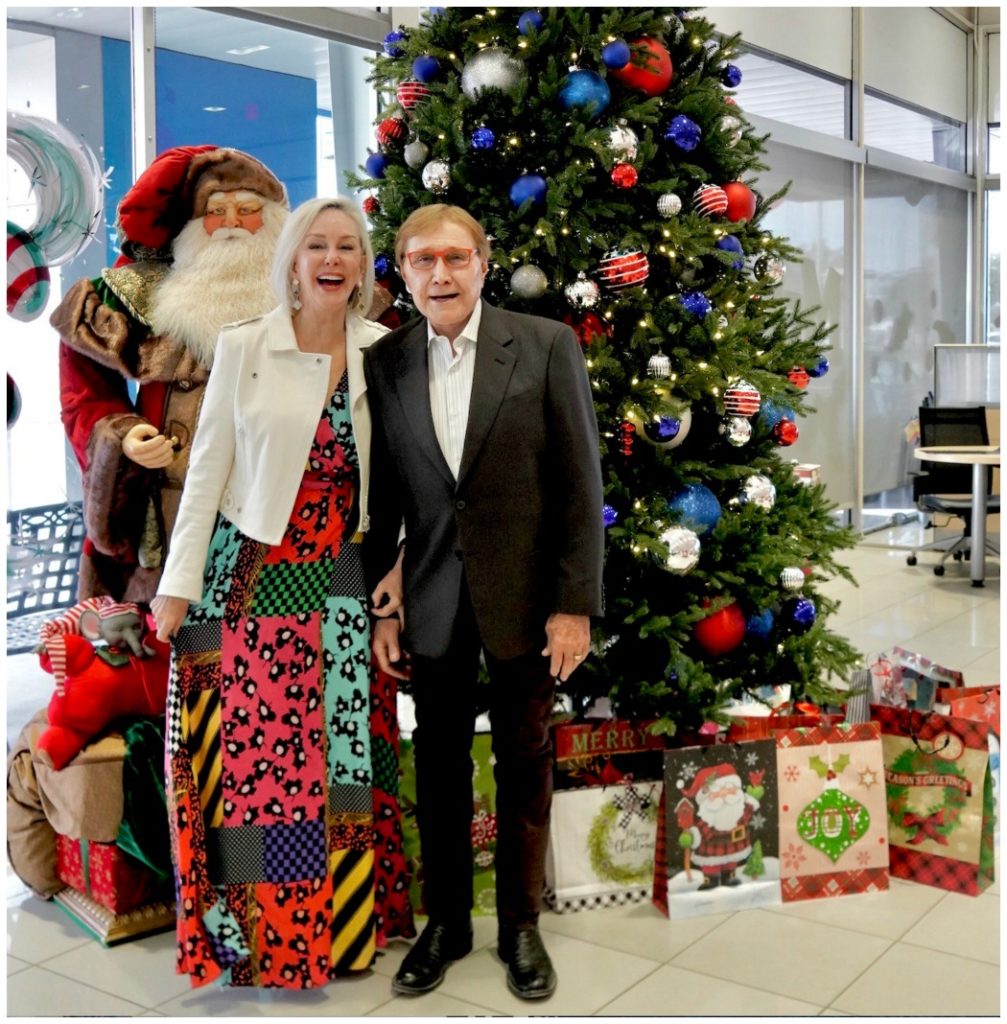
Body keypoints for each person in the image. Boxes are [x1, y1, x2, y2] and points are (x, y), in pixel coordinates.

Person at [151, 196, 412, 988]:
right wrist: (176, 585)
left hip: (343, 578)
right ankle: (264, 937)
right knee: (256, 771)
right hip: (247, 576)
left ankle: (342, 931)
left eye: (347, 246)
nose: (331, 259)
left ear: (361, 264)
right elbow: (206, 474)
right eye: (316, 246)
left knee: (338, 766)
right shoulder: (244, 345)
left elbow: (410, 481)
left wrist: (396, 567)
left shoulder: (387, 352)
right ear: (292, 262)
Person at [363, 204, 604, 1000]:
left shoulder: (543, 346)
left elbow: (578, 487)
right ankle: (447, 922)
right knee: (434, 762)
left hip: (526, 601)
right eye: (421, 260)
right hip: (430, 595)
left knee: (523, 757)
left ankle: (519, 927)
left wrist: (573, 606)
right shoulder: (388, 361)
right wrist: (385, 603)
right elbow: (390, 495)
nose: (440, 273)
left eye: (455, 258)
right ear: (401, 272)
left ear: (482, 262)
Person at [51, 145, 290, 605]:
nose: (233, 223)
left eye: (248, 210)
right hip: (172, 520)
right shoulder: (149, 297)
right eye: (215, 212)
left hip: (285, 516)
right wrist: (123, 434)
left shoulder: (311, 291)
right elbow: (82, 383)